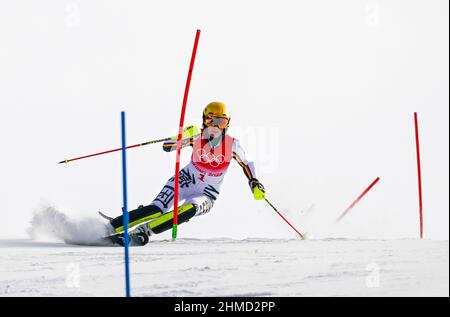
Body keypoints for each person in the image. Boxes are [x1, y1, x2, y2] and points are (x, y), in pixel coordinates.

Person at [106, 102, 265, 243]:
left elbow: (247, 163)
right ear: (204, 120)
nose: (215, 127)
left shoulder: (233, 145)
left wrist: (254, 182)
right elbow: (168, 146)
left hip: (207, 193)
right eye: (211, 120)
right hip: (184, 181)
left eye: (221, 122)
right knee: (157, 209)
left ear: (227, 124)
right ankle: (110, 227)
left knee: (190, 209)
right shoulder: (197, 137)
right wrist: (184, 135)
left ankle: (142, 231)